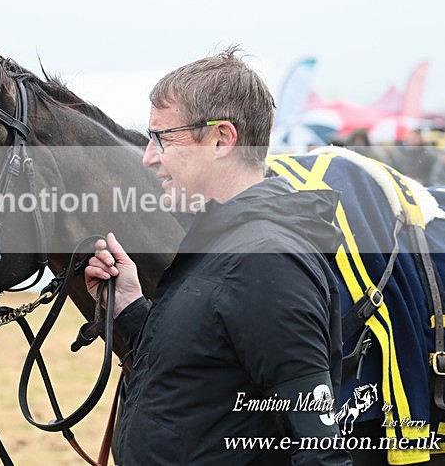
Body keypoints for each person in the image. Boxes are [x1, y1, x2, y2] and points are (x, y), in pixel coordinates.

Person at [85, 47, 351, 464]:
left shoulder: (268, 261)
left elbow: (319, 451)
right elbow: (202, 374)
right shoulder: (221, 244)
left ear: (222, 139)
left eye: (162, 137)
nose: (148, 157)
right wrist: (132, 310)